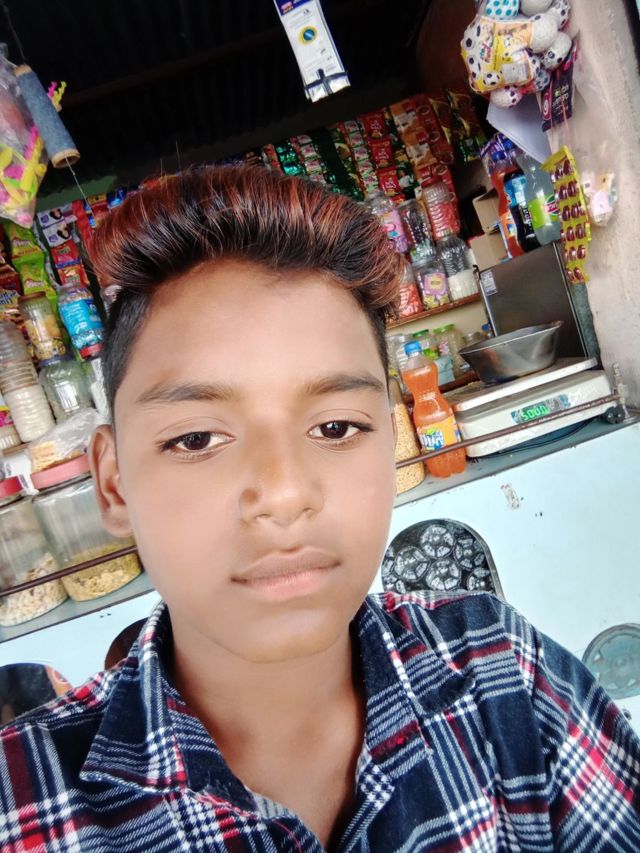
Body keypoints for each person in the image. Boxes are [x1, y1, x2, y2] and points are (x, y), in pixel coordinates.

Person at [0, 166, 638, 853]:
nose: (284, 492)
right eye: (196, 438)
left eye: (336, 427)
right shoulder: (25, 803)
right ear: (114, 484)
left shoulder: (504, 673)